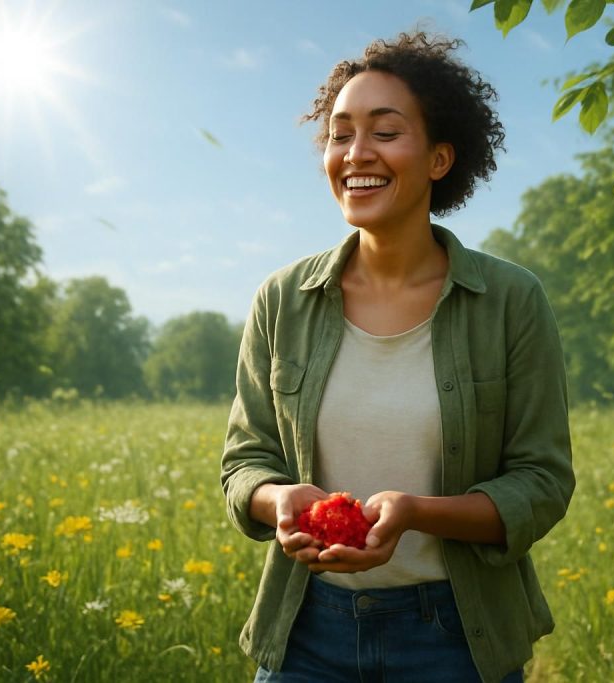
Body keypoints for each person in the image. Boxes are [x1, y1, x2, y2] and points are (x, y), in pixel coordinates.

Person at [221, 31, 574, 683]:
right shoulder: (282, 299)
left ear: (440, 157)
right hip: (306, 630)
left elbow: (542, 482)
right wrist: (280, 503)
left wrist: (414, 512)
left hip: (453, 636)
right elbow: (245, 462)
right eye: (340, 133)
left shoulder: (510, 300)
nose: (356, 154)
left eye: (385, 132)